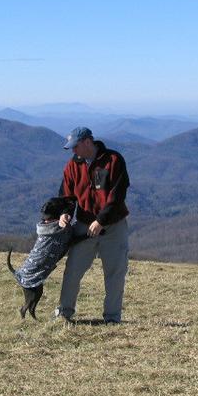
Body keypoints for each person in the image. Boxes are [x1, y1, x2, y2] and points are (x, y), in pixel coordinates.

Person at [55, 126, 130, 323]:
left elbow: (117, 195)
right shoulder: (72, 166)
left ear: (88, 142)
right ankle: (63, 314)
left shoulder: (113, 160)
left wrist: (101, 220)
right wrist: (64, 214)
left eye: (76, 146)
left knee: (115, 274)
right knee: (72, 271)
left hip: (114, 227)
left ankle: (112, 318)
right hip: (84, 226)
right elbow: (66, 196)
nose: (73, 151)